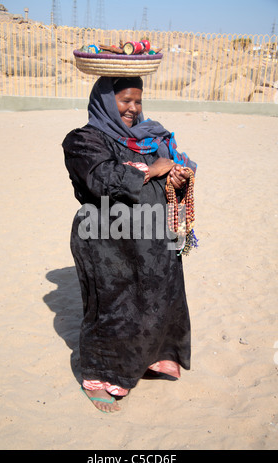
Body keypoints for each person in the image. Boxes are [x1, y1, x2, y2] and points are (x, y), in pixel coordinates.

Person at [62, 76, 197, 413]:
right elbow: (101, 179)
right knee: (114, 305)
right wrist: (151, 171)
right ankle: (99, 379)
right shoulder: (83, 140)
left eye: (137, 101)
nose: (133, 109)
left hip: (152, 239)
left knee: (157, 298)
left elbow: (170, 169)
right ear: (106, 101)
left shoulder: (149, 138)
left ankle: (148, 360)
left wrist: (176, 176)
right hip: (105, 239)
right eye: (125, 101)